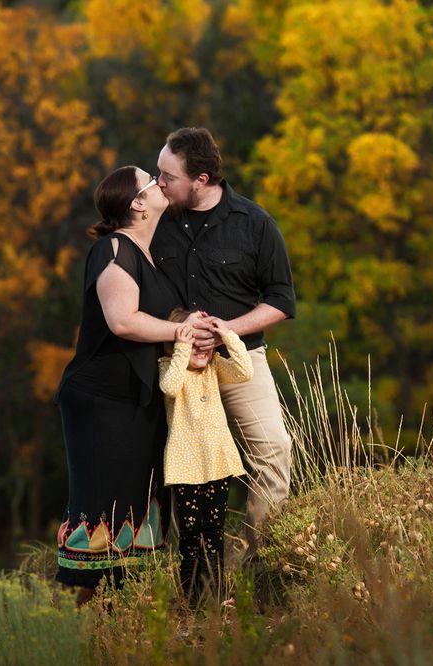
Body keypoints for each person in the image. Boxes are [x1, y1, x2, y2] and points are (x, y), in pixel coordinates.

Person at [54, 165, 206, 604]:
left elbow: (157, 319)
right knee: (100, 514)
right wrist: (180, 332)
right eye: (151, 181)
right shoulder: (113, 248)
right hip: (101, 401)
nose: (162, 183)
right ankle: (72, 631)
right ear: (137, 203)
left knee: (135, 511)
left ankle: (117, 627)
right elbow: (123, 321)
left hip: (139, 400)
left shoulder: (152, 254)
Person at [152, 127, 296, 558]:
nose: (159, 183)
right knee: (181, 470)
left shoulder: (255, 224)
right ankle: (190, 580)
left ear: (201, 179)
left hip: (240, 360)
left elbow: (281, 301)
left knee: (273, 452)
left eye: (168, 176)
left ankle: (259, 564)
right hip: (176, 367)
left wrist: (225, 330)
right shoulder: (156, 222)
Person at [159, 308, 252, 606]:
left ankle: (216, 595)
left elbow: (244, 371)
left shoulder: (214, 366)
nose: (200, 349)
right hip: (186, 467)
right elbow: (169, 388)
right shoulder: (170, 368)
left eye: (205, 342)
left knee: (214, 533)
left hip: (218, 462)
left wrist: (226, 334)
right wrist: (182, 346)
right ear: (176, 344)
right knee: (190, 536)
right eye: (192, 342)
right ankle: (191, 599)